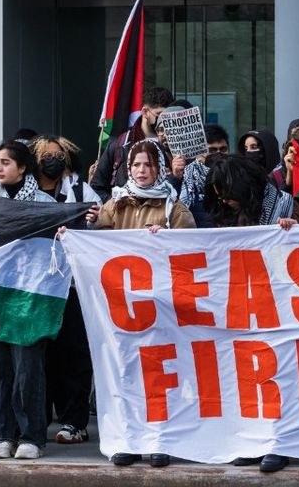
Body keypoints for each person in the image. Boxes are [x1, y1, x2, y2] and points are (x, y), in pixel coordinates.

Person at [86, 139, 195, 467]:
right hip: (122, 308)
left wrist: (167, 238)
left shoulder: (174, 209)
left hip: (161, 309)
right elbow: (95, 246)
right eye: (136, 165)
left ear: (159, 168)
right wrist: (85, 227)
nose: (142, 171)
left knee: (161, 375)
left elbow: (193, 251)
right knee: (125, 373)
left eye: (148, 165)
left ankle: (160, 439)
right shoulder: (114, 206)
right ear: (127, 169)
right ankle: (129, 440)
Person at [202, 154, 296, 473]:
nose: (222, 199)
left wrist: (292, 232)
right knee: (243, 381)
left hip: (275, 307)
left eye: (226, 192)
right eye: (217, 194)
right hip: (238, 308)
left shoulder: (283, 205)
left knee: (276, 378)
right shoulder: (224, 210)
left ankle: (278, 444)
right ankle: (251, 442)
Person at [0, 140, 55, 460]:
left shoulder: (44, 203)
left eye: (6, 162)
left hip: (29, 299)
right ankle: (2, 435)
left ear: (23, 167)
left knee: (28, 370)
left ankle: (31, 437)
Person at [30, 135, 100, 445]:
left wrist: (97, 220)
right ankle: (37, 420)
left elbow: (103, 229)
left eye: (58, 155)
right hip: (36, 286)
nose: (52, 160)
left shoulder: (82, 192)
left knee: (73, 355)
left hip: (71, 286)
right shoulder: (25, 193)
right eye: (46, 155)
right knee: (40, 356)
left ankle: (75, 422)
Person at [90, 86, 174, 201]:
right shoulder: (120, 143)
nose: (164, 121)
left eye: (168, 116)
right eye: (160, 115)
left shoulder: (175, 144)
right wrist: (119, 206)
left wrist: (174, 177)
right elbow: (97, 187)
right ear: (145, 112)